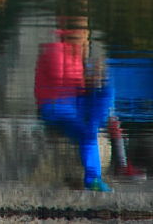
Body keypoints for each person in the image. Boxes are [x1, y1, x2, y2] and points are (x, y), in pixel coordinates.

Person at [34, 16, 139, 191]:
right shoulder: (55, 52)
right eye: (81, 36)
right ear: (69, 35)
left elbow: (81, 88)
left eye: (86, 36)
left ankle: (99, 131)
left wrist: (97, 78)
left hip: (75, 105)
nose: (85, 41)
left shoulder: (77, 56)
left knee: (107, 90)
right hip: (55, 107)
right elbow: (61, 81)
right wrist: (87, 77)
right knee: (87, 133)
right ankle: (93, 178)